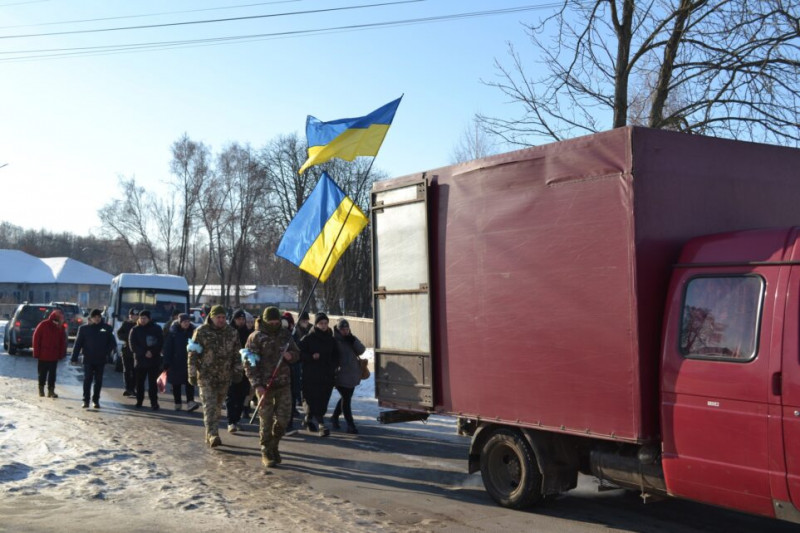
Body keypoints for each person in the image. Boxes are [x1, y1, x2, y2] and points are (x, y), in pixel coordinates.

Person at [243, 306, 299, 468]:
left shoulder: (285, 335)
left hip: (283, 383)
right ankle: (266, 450)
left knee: (283, 419)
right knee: (266, 419)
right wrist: (257, 385)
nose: (274, 324)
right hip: (265, 385)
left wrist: (290, 356)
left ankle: (274, 444)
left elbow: (297, 353)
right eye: (271, 322)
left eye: (277, 321)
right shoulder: (256, 337)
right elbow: (249, 363)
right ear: (265, 320)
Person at [187, 305, 241, 448]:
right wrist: (191, 374)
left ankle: (210, 432)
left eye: (223, 317)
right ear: (211, 317)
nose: (221, 320)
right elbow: (192, 354)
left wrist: (237, 372)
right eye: (218, 317)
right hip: (206, 377)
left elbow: (237, 355)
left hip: (224, 377)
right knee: (209, 406)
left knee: (217, 408)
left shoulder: (232, 333)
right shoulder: (201, 332)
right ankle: (213, 434)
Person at [298, 312, 339, 437]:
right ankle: (321, 425)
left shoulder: (331, 340)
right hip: (311, 375)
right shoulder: (308, 338)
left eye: (326, 323)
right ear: (316, 324)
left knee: (323, 400)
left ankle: (309, 419)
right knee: (311, 400)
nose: (324, 326)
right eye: (321, 323)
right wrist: (311, 357)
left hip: (326, 375)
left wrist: (333, 366)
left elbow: (336, 356)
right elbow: (299, 353)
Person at [70, 308, 117, 409]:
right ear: (91, 318)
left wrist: (106, 352)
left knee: (98, 381)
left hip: (101, 359)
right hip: (88, 358)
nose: (97, 319)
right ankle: (86, 400)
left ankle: (96, 400)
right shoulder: (84, 329)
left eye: (98, 317)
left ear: (101, 317)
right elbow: (78, 344)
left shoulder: (106, 328)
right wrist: (74, 357)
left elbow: (112, 343)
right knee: (87, 380)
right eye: (94, 317)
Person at [331, 318, 367, 433]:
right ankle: (350, 424)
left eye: (347, 329)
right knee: (346, 400)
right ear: (338, 329)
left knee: (345, 398)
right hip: (340, 375)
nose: (345, 331)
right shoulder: (334, 341)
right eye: (343, 329)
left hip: (352, 375)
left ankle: (334, 417)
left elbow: (362, 350)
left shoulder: (351, 338)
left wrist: (353, 340)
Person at [162, 313, 199, 412]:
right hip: (176, 362)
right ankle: (177, 403)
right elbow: (168, 348)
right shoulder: (173, 333)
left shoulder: (194, 332)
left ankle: (190, 402)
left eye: (188, 321)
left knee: (190, 383)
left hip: (189, 362)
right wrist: (166, 361)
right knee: (176, 384)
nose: (186, 323)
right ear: (180, 322)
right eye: (184, 322)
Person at [129, 310, 164, 410]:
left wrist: (152, 352)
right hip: (140, 360)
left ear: (149, 319)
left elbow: (160, 342)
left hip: (153, 360)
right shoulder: (135, 330)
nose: (143, 320)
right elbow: (133, 345)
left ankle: (154, 402)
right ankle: (139, 401)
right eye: (141, 318)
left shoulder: (156, 328)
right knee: (140, 383)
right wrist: (144, 352)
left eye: (145, 318)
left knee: (153, 383)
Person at [225, 309, 252, 433]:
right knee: (231, 396)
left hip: (245, 369)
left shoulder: (248, 333)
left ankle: (237, 419)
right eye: (238, 319)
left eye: (242, 319)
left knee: (242, 395)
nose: (241, 321)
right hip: (231, 369)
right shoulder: (228, 332)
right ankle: (231, 421)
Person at [32, 309, 67, 398]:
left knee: (52, 375)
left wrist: (61, 354)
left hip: (53, 356)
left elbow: (62, 341)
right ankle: (41, 389)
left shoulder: (60, 327)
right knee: (42, 373)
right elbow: (36, 339)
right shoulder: (44, 325)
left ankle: (51, 391)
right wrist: (36, 353)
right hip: (43, 355)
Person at [282, 311, 302, 430]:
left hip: (293, 370)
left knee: (292, 397)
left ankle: (289, 423)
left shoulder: (295, 334)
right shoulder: (279, 335)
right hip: (280, 373)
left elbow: (298, 352)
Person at [117, 309, 138, 397]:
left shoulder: (139, 325)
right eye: (131, 315)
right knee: (126, 370)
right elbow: (119, 334)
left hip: (137, 352)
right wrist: (128, 337)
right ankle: (127, 388)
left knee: (135, 371)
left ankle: (132, 388)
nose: (132, 317)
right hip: (126, 351)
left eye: (134, 315)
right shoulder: (126, 324)